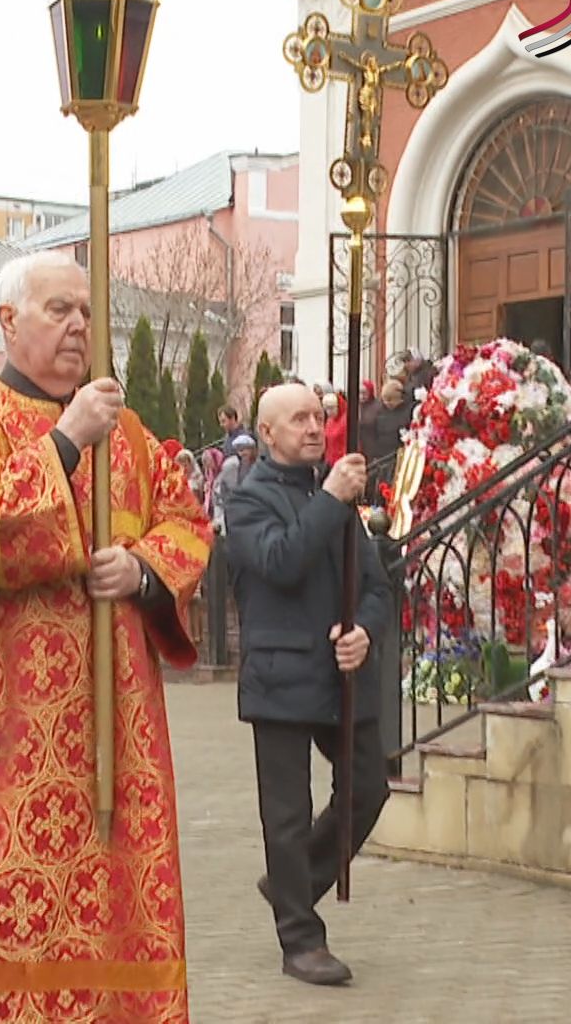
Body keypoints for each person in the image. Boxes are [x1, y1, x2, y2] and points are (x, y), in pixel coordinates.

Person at [0, 250, 211, 1021]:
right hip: (3, 728)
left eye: (86, 313)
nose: (77, 326)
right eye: (58, 310)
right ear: (8, 322)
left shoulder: (128, 434)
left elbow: (187, 524)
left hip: (111, 732)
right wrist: (63, 442)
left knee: (109, 908)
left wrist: (142, 569)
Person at [222, 383, 393, 988]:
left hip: (339, 671)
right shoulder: (247, 501)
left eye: (318, 417)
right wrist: (329, 498)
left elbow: (375, 585)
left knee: (369, 787)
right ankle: (300, 938)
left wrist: (365, 633)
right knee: (287, 815)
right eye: (298, 420)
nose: (314, 428)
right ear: (267, 433)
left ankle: (291, 884)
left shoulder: (338, 497)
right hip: (281, 673)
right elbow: (281, 562)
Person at [212, 434, 259, 533]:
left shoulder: (259, 466)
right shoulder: (235, 466)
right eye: (239, 450)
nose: (242, 453)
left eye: (244, 450)